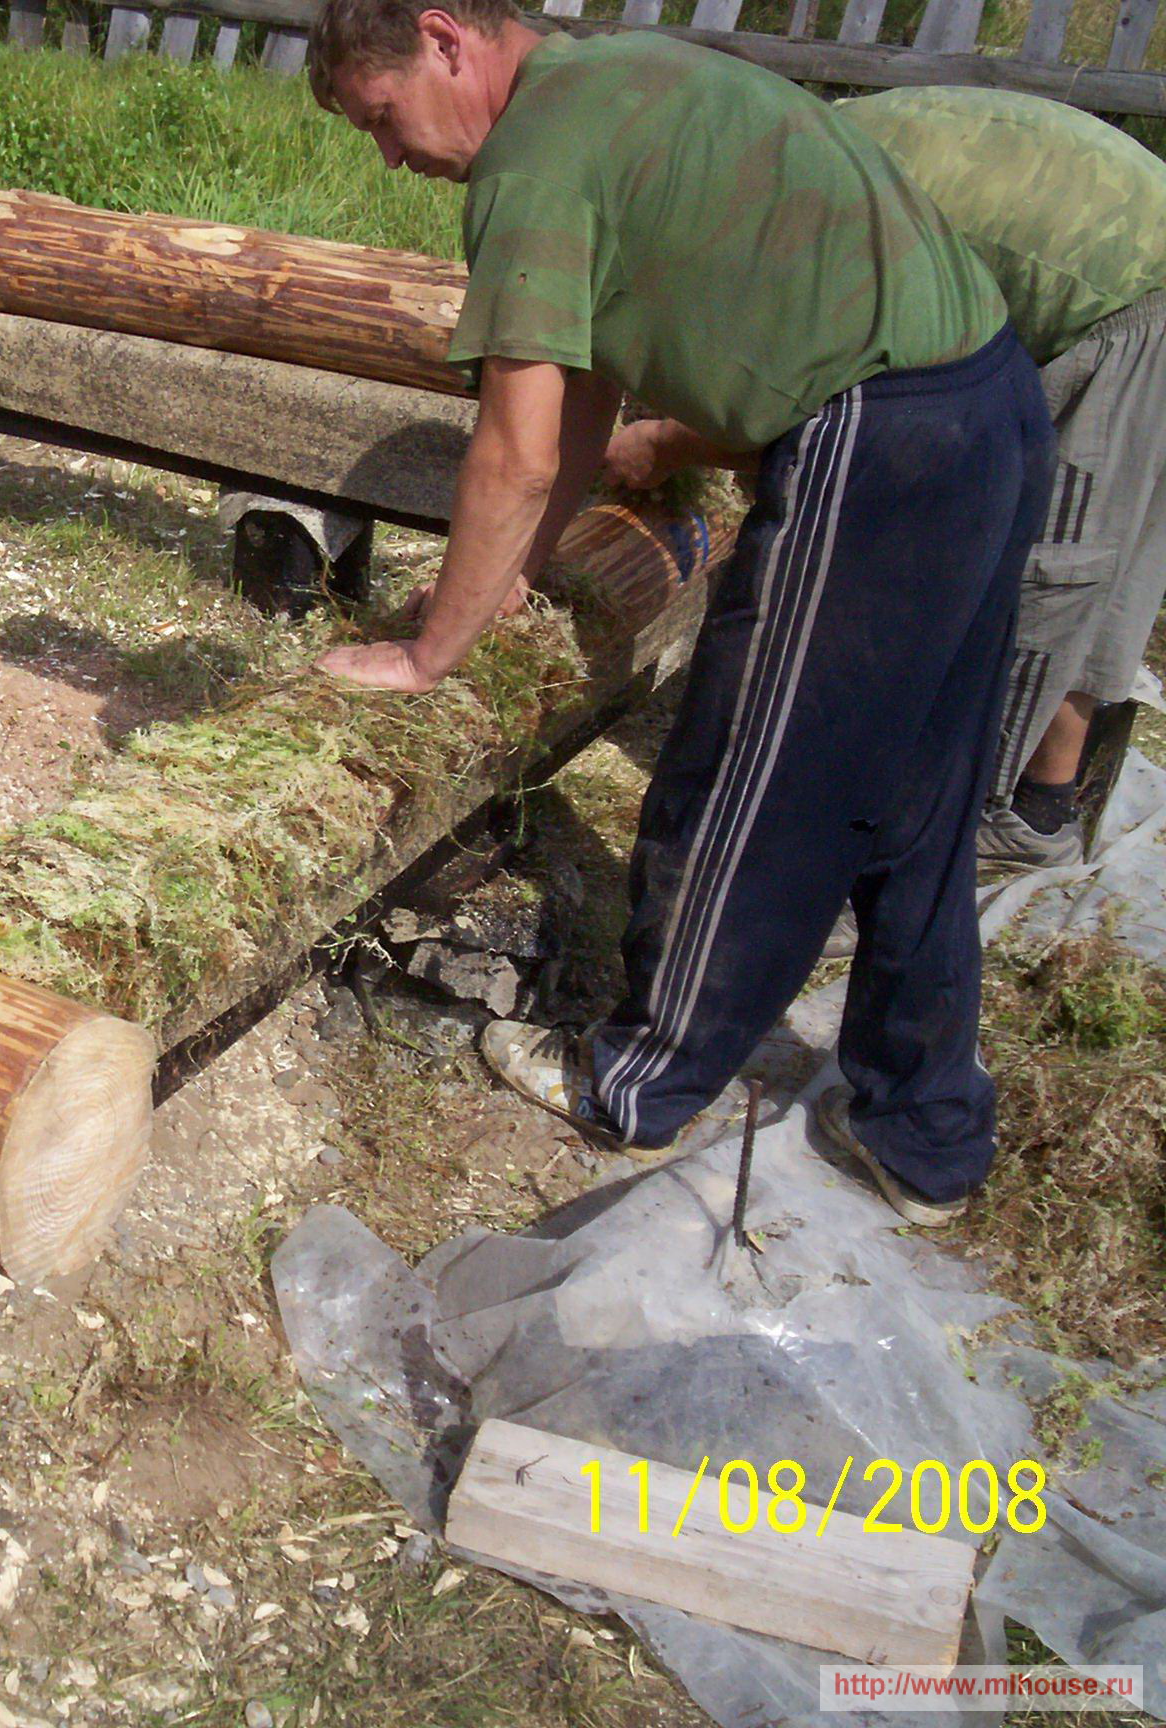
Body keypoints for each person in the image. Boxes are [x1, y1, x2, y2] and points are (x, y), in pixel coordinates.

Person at [305, 0, 1053, 1224]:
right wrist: (510, 586)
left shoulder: (533, 159)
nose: (392, 159)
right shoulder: (619, 80)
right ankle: (924, 1134)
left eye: (383, 120)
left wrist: (430, 650)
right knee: (917, 800)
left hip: (883, 442)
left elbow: (518, 450)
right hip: (992, 402)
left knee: (750, 782)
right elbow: (586, 392)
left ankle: (636, 1082)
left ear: (444, 41)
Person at [610, 86, 1166, 871]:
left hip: (1133, 300)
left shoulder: (786, 216)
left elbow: (833, 414)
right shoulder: (801, 147)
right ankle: (1044, 805)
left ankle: (928, 838)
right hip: (1128, 255)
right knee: (1114, 546)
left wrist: (669, 442)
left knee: (1051, 573)